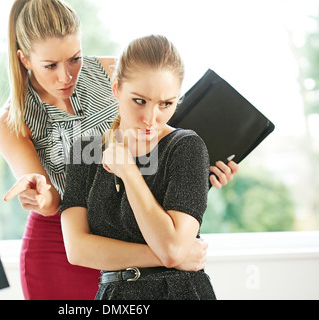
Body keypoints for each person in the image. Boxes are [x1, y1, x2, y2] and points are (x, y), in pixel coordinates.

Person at [0, 0, 237, 300]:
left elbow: (161, 136)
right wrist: (41, 195)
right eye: (50, 65)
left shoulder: (112, 72)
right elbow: (54, 201)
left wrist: (197, 173)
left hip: (131, 224)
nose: (66, 76)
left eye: (74, 58)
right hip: (63, 239)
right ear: (25, 59)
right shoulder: (12, 122)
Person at [60, 34, 216, 300]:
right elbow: (77, 250)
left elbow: (171, 248)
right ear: (117, 88)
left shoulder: (186, 147)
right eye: (140, 101)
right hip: (114, 297)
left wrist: (129, 172)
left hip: (177, 293)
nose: (150, 119)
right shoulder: (85, 151)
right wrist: (171, 256)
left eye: (166, 104)